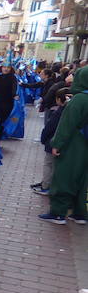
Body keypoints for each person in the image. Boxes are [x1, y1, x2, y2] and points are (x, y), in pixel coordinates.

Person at [39, 65, 88, 225]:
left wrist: (56, 144)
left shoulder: (78, 100)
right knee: (82, 180)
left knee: (64, 177)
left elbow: (66, 125)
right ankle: (80, 213)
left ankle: (58, 213)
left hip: (74, 144)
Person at [32, 88, 70, 196]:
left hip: (52, 142)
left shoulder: (57, 112)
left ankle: (46, 186)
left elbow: (49, 127)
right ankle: (48, 185)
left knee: (48, 164)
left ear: (58, 99)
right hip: (61, 143)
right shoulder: (68, 111)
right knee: (54, 165)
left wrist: (43, 139)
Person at [0, 54, 19, 143]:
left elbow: (14, 89)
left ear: (11, 69)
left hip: (7, 103)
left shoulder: (13, 78)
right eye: (4, 67)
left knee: (2, 123)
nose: (6, 69)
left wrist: (15, 96)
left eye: (8, 67)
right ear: (1, 68)